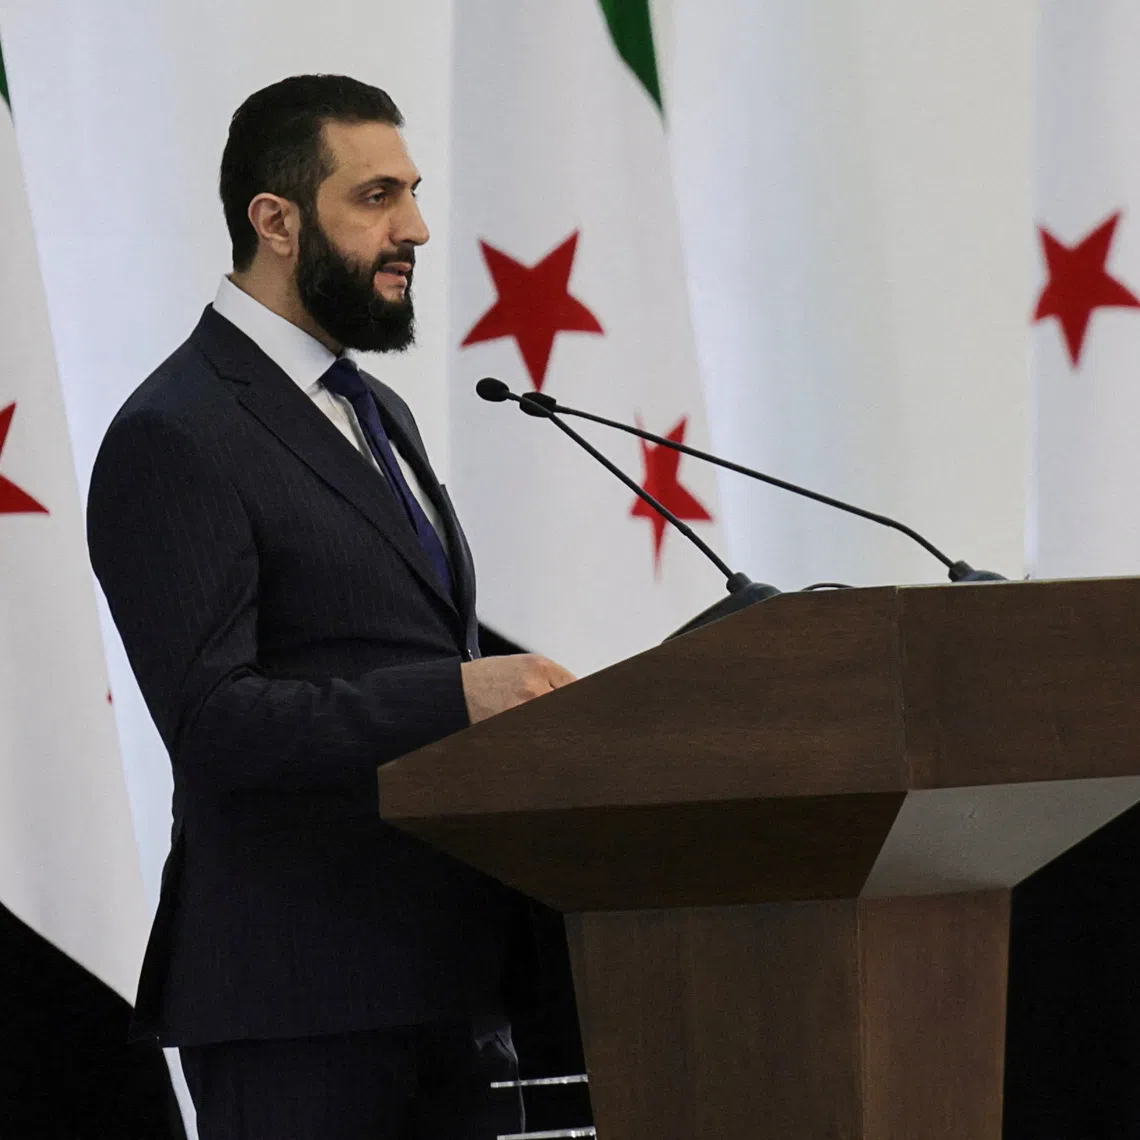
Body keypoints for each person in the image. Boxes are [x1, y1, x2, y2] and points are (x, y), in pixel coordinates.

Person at [86, 74, 576, 1140]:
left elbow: (388, 638)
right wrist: (455, 695)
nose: (417, 228)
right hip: (298, 999)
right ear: (275, 220)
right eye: (377, 198)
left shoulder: (373, 408)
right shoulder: (177, 433)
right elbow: (214, 722)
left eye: (412, 194)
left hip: (441, 980)